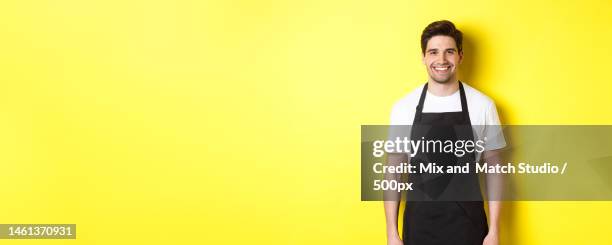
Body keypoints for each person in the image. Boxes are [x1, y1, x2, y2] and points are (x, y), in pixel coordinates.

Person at [384, 20, 506, 245]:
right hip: (419, 226)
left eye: (449, 52)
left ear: (460, 55)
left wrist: (494, 231)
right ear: (423, 57)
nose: (441, 60)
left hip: (469, 227)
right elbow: (393, 172)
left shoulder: (483, 105)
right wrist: (392, 233)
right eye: (433, 52)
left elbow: (495, 171)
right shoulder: (404, 107)